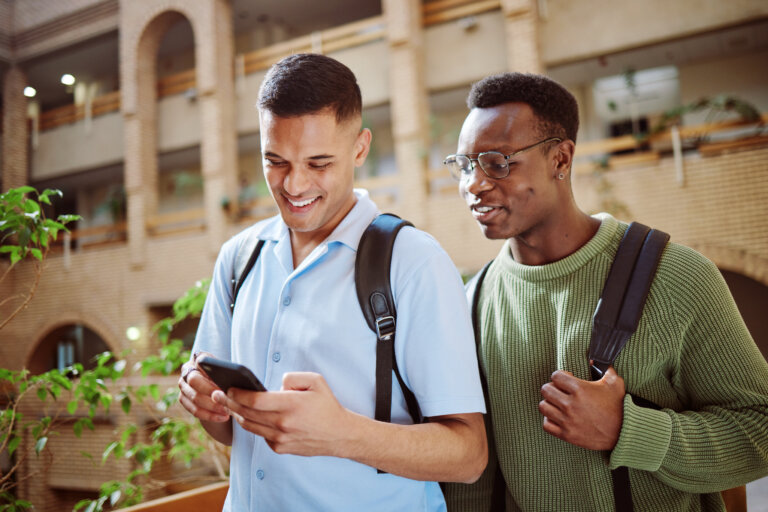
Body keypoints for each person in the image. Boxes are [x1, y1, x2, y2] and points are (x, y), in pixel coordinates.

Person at [441, 72, 768, 511]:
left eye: (498, 162)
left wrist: (628, 432)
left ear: (561, 159)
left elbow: (759, 428)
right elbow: (476, 479)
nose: (474, 184)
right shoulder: (473, 303)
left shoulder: (676, 276)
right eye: (464, 165)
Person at [177, 53, 487, 511]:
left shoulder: (413, 262)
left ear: (360, 148)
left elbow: (468, 456)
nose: (295, 185)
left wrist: (341, 433)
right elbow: (229, 430)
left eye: (319, 163)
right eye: (275, 161)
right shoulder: (239, 258)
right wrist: (209, 405)